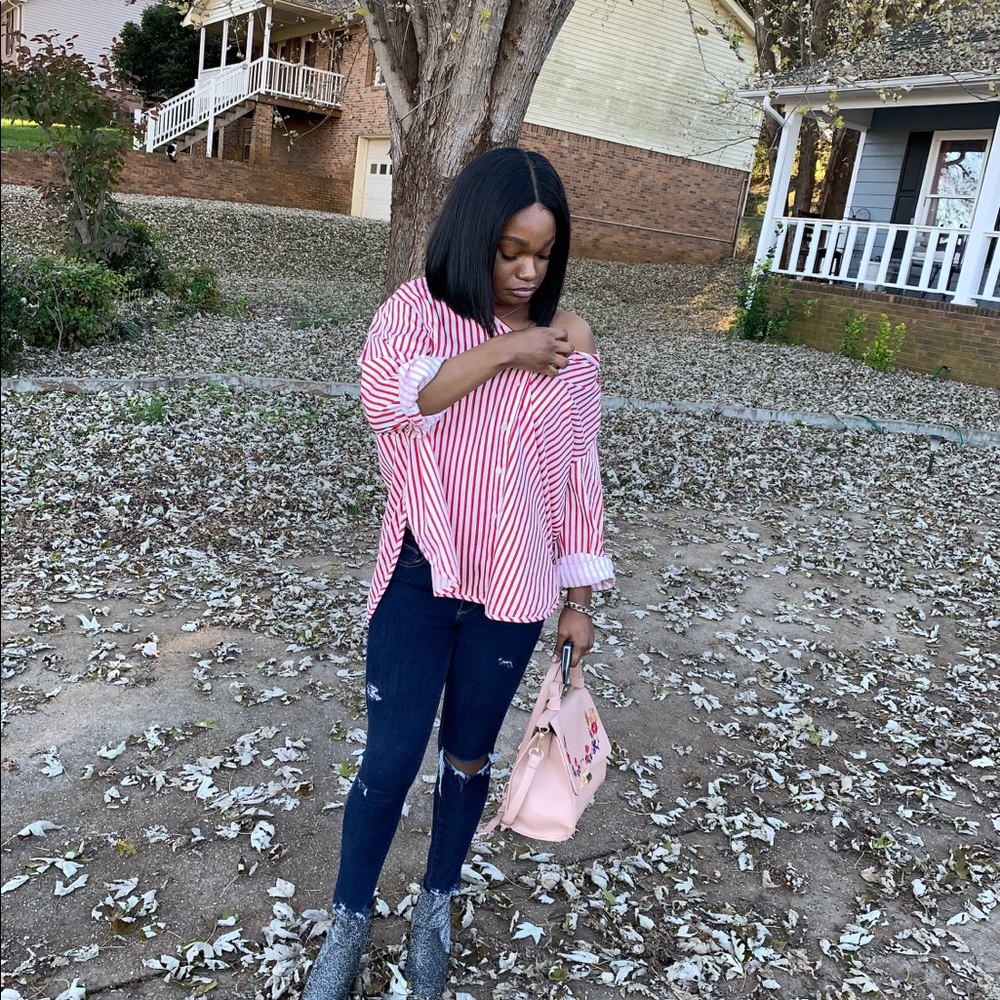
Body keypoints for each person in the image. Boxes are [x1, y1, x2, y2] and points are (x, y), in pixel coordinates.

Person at [302, 146, 615, 1000]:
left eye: (543, 255)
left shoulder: (572, 341)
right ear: (474, 234)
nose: (525, 272)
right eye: (510, 249)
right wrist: (511, 353)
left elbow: (574, 471)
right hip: (417, 573)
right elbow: (398, 398)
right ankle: (350, 922)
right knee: (390, 758)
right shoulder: (412, 313)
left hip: (515, 588)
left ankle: (435, 906)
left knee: (469, 759)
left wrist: (578, 598)